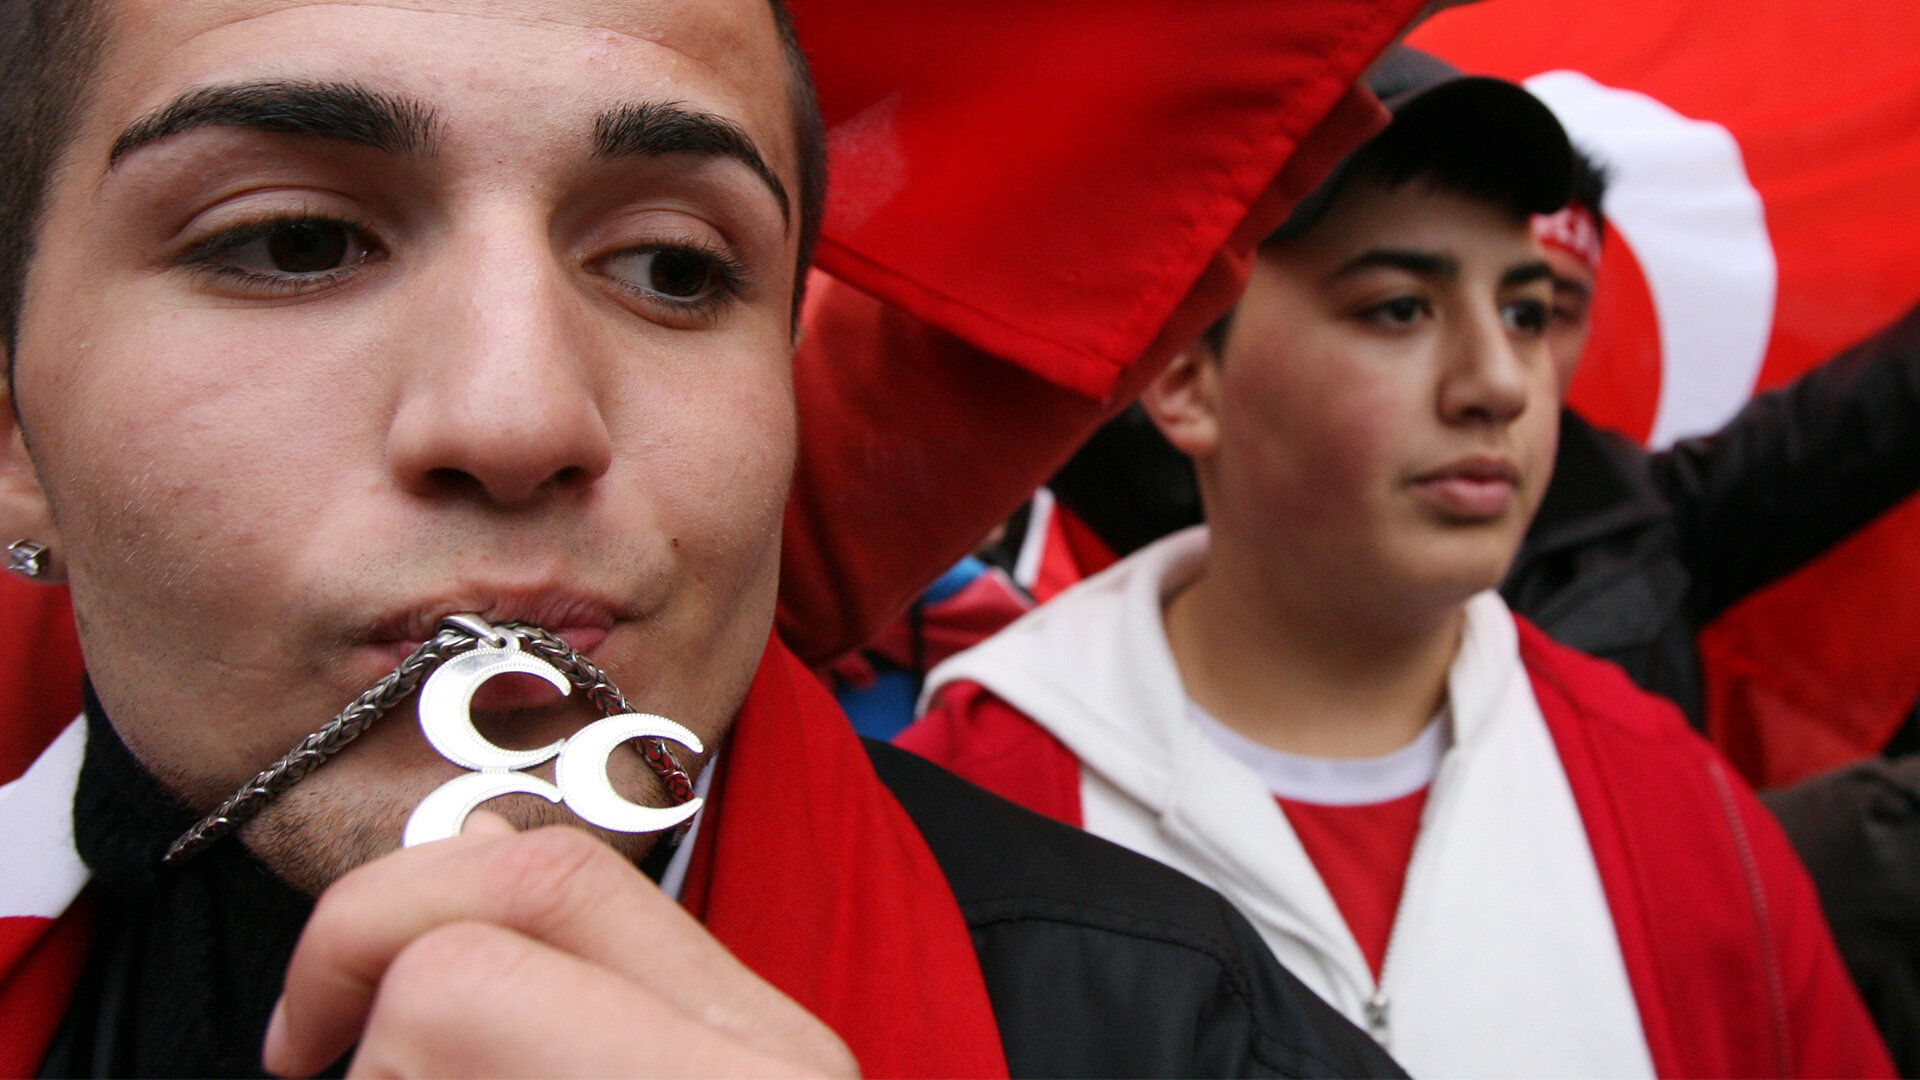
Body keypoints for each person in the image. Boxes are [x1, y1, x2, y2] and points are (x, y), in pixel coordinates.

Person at [0, 0, 1429, 1075]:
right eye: (294, 242)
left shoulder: (1189, 1038)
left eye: (675, 267)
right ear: (16, 431)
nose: (521, 416)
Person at [901, 49, 1892, 1079]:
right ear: (1186, 376)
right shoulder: (964, 810)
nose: (1501, 382)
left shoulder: (1684, 810)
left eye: (1527, 311)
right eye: (1399, 309)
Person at [1506, 150, 1920, 731]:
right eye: (1406, 308)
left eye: (1546, 313)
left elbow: (1862, 413)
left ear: (1590, 325)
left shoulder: (1646, 521)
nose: (1503, 361)